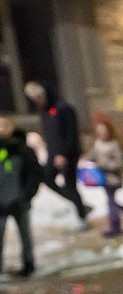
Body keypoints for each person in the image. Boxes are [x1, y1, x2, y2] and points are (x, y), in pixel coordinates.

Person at [23, 81, 91, 229]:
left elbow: (71, 135)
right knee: (47, 178)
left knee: (70, 185)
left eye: (39, 96)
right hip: (53, 154)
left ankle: (82, 216)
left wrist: (63, 154)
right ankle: (79, 204)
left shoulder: (63, 109)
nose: (37, 100)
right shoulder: (46, 112)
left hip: (68, 155)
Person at [87, 117, 123, 237]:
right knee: (113, 202)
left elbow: (118, 163)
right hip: (101, 177)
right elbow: (93, 156)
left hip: (113, 178)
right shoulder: (98, 144)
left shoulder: (114, 145)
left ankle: (116, 226)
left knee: (111, 202)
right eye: (99, 131)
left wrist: (103, 165)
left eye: (104, 130)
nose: (102, 133)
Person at [0, 115, 42, 277]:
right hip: (1, 203)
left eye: (4, 126)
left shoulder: (23, 150)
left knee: (25, 234)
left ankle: (28, 265)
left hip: (20, 200)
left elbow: (34, 174)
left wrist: (27, 194)